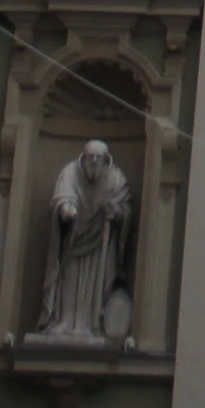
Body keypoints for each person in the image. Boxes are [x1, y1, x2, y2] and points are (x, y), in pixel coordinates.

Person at [32, 138, 133, 342]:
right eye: (90, 158)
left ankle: (88, 324)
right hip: (74, 239)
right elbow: (64, 195)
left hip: (100, 244)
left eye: (98, 159)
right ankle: (64, 322)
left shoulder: (116, 179)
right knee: (69, 279)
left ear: (106, 161)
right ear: (84, 158)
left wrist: (118, 212)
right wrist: (66, 208)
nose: (94, 163)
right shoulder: (70, 172)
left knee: (95, 282)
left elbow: (126, 207)